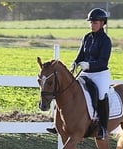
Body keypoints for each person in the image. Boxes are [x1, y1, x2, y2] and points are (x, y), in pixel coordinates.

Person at [47, 8, 112, 140]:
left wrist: (89, 65)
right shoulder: (87, 37)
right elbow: (81, 55)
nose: (92, 25)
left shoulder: (106, 40)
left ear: (102, 23)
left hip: (100, 74)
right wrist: (75, 63)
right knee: (66, 90)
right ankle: (57, 124)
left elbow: (103, 61)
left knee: (100, 95)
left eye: (95, 22)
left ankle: (103, 128)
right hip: (85, 73)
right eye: (91, 22)